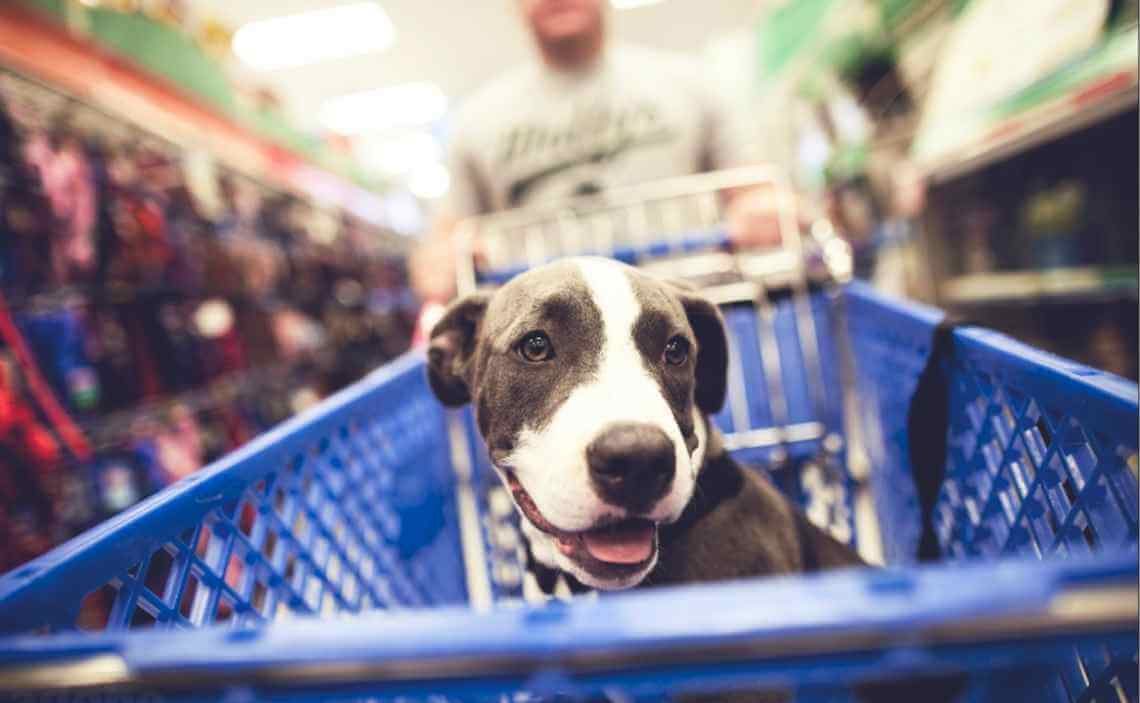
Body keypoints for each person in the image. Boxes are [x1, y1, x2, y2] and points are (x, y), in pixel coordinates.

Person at [410, 0, 787, 323]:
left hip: (686, 325)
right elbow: (444, 246)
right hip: (553, 354)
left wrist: (765, 210)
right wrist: (442, 263)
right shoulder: (475, 123)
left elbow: (756, 192)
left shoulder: (693, 84)